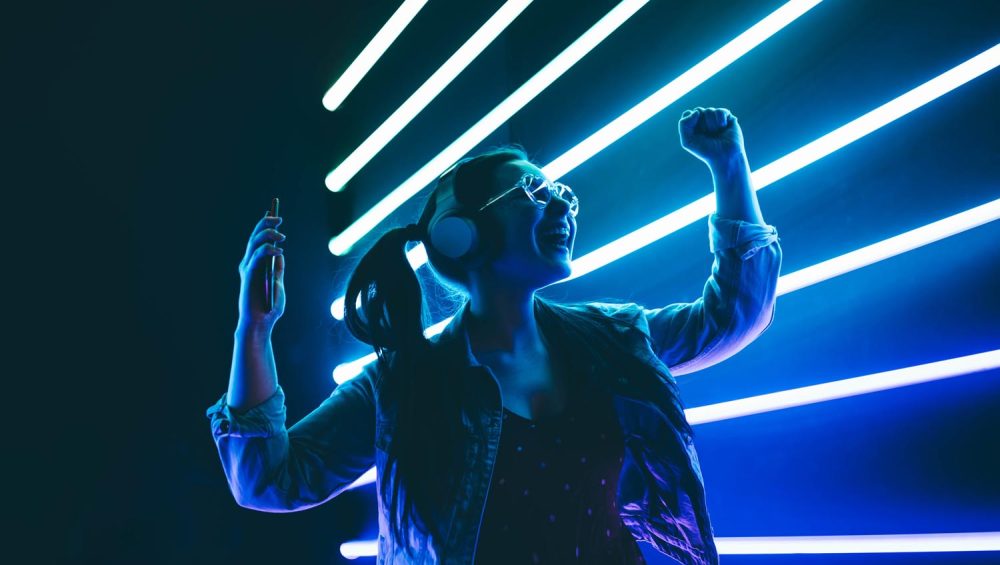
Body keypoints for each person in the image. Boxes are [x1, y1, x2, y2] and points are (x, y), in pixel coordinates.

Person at [207, 107, 782, 565]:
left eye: (564, 195)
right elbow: (271, 481)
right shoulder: (402, 384)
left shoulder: (615, 340)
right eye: (536, 194)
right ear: (461, 235)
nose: (562, 206)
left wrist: (728, 166)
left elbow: (733, 314)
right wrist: (253, 330)